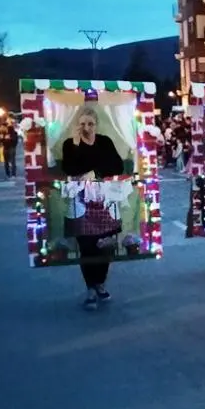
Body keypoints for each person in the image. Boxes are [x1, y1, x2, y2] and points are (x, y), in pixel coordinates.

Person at [60, 105, 125, 310]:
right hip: (81, 201)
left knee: (104, 244)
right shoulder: (70, 144)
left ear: (96, 124)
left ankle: (101, 283)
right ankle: (90, 287)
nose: (86, 127)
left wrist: (95, 172)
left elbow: (118, 166)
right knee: (87, 247)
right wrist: (78, 145)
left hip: (104, 199)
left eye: (90, 123)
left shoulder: (105, 142)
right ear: (77, 125)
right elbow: (69, 168)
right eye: (82, 124)